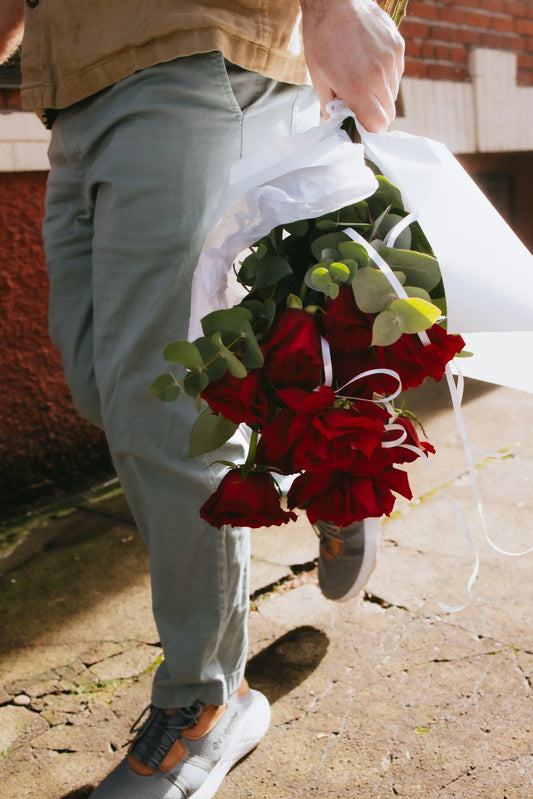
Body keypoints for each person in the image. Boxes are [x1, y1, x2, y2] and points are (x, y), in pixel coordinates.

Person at [1, 1, 404, 796]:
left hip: (192, 57)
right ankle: (315, 463)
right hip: (75, 94)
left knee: (165, 417)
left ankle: (204, 704)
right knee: (107, 391)